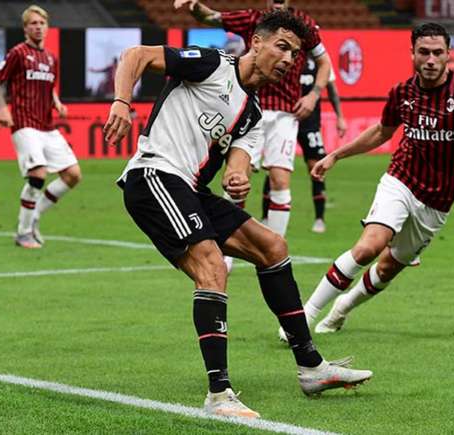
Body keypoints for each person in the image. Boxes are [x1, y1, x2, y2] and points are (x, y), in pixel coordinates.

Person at [103, 10, 372, 419]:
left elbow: (238, 166)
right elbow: (136, 55)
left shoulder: (253, 116)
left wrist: (238, 179)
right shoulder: (211, 64)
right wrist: (122, 103)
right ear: (256, 42)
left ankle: (311, 367)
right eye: (281, 46)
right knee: (212, 266)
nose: (287, 58)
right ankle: (219, 394)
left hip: (191, 188)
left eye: (295, 53)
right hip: (154, 174)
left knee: (273, 246)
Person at [290, 23, 454, 336]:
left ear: (449, 54)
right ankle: (303, 317)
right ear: (412, 53)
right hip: (401, 180)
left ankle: (343, 307)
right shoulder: (402, 92)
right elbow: (382, 132)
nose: (431, 60)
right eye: (424, 52)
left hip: (437, 202)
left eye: (438, 53)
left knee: (386, 267)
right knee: (369, 247)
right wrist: (335, 155)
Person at [180, 0, 333, 238]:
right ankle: (226, 251)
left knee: (281, 181)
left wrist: (313, 95)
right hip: (249, 108)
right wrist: (194, 5)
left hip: (285, 113)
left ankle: (274, 249)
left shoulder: (304, 24)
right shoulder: (253, 19)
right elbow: (210, 17)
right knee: (236, 178)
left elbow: (324, 62)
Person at [0, 5, 81, 248]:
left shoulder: (51, 59)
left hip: (47, 125)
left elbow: (49, 86)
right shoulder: (18, 53)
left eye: (41, 23)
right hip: (24, 123)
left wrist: (57, 102)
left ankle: (34, 216)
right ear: (25, 28)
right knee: (38, 174)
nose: (38, 27)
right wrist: (1, 109)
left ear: (47, 27)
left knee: (73, 175)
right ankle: (23, 232)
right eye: (33, 23)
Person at [261, 54, 347, 233]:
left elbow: (331, 88)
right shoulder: (285, 55)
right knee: (276, 167)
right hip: (284, 118)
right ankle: (265, 217)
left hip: (309, 123)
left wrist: (340, 117)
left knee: (316, 167)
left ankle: (319, 219)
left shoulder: (319, 58)